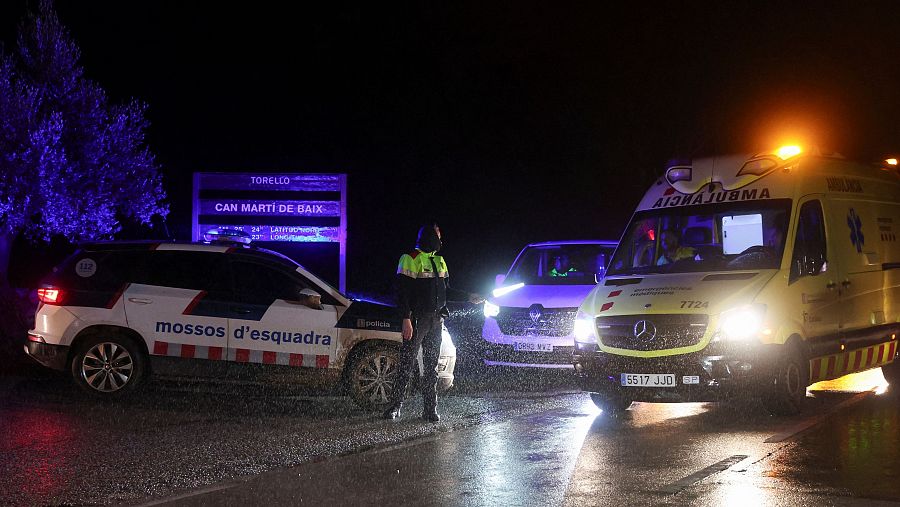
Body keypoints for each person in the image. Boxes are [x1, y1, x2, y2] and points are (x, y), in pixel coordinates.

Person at [384, 221, 484, 422]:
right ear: (429, 237)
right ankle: (395, 407)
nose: (441, 240)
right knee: (406, 364)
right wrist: (406, 318)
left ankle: (430, 409)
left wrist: (468, 297)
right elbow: (402, 293)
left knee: (431, 367)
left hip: (436, 321)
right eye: (438, 236)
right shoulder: (409, 259)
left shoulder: (440, 261)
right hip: (417, 320)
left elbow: (447, 291)